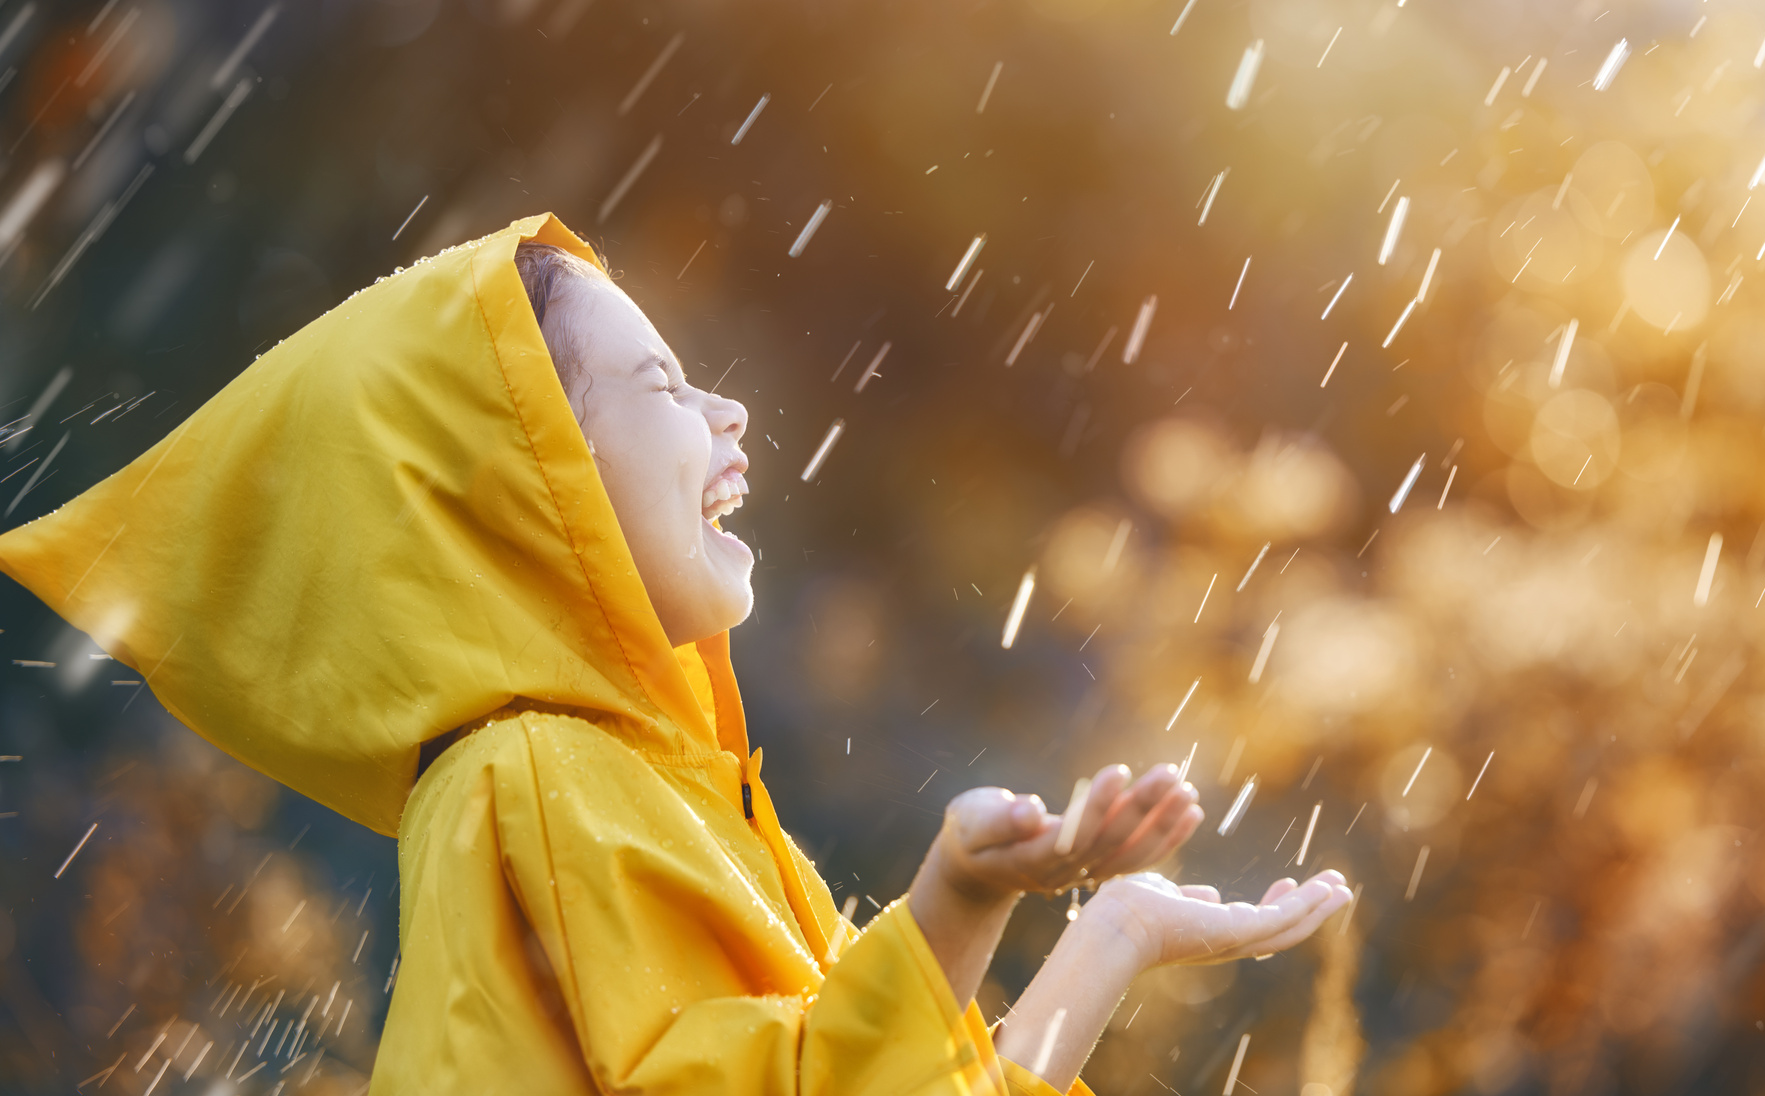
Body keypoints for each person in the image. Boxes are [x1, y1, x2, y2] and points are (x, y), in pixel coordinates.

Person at [0, 215, 1351, 1094]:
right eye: (658, 387)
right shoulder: (530, 776)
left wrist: (1054, 922)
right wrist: (992, 913)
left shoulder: (646, 785)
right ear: (525, 484)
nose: (731, 411)